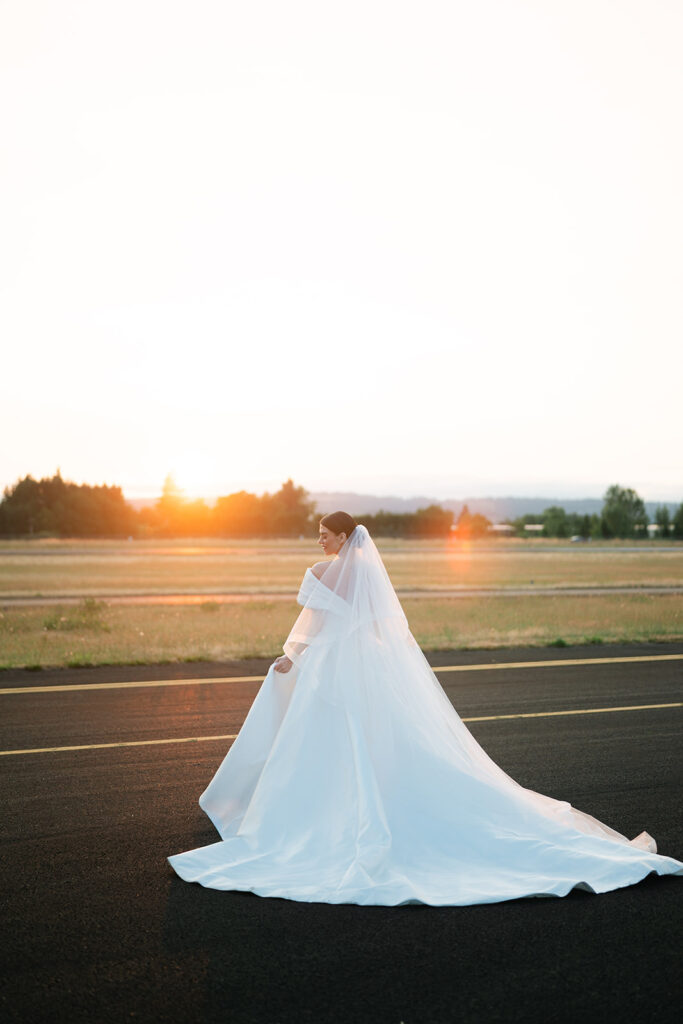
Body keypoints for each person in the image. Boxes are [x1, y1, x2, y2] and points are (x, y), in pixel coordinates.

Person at [168, 512, 682, 905]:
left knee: (326, 745)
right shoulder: (369, 576)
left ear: (343, 537)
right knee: (366, 742)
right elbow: (379, 631)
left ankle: (316, 822)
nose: (319, 540)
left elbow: (313, 627)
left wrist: (291, 658)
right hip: (363, 668)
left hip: (333, 669)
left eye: (325, 534)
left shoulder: (323, 572)